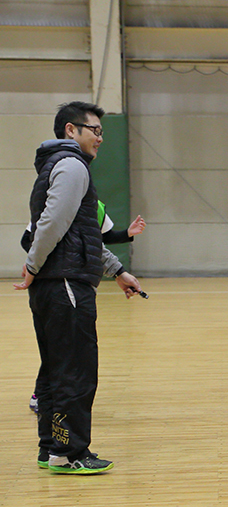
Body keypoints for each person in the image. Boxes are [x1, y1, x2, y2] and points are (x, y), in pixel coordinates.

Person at [14, 101, 143, 474]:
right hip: (66, 284)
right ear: (71, 130)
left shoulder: (61, 166)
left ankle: (50, 448)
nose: (100, 138)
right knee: (76, 371)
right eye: (95, 131)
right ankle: (68, 452)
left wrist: (117, 270)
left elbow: (79, 234)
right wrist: (34, 265)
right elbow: (52, 223)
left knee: (56, 370)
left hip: (56, 283)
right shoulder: (72, 166)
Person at [24, 203, 146, 413]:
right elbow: (28, 240)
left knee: (70, 348)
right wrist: (36, 261)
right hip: (56, 283)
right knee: (59, 346)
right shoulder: (56, 201)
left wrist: (126, 236)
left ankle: (56, 402)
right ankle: (45, 398)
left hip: (77, 284)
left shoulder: (94, 204)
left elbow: (98, 240)